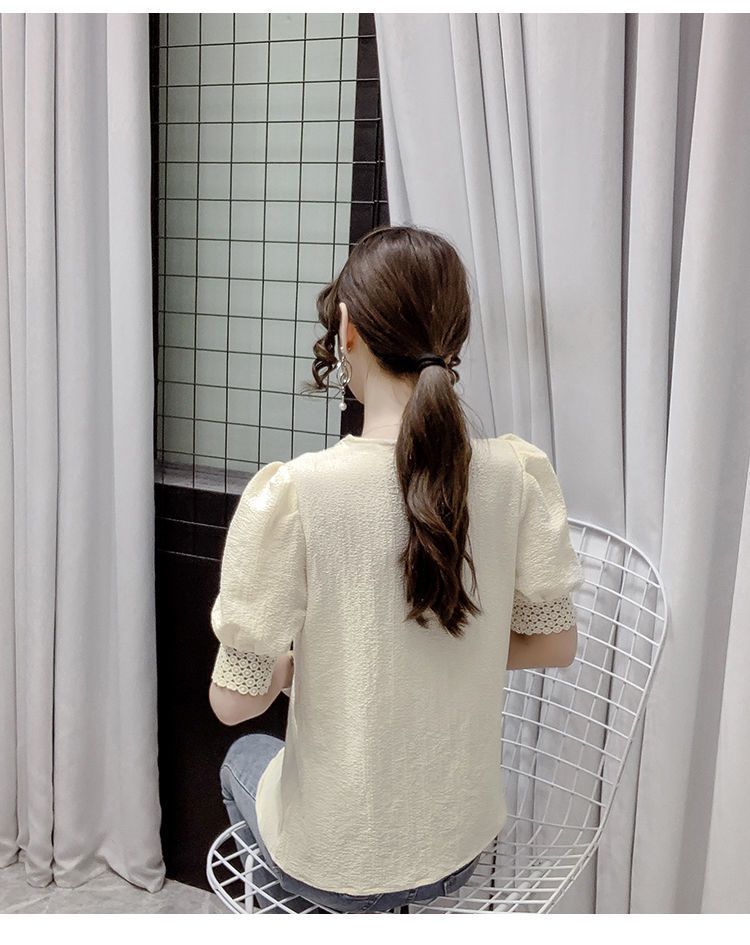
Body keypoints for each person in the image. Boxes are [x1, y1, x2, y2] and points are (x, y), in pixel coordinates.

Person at [208, 224, 585, 914]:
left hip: (336, 857)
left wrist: (297, 665)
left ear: (346, 327)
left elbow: (234, 703)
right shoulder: (515, 475)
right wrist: (449, 646)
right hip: (461, 844)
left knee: (242, 758)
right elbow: (556, 645)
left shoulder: (298, 493)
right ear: (455, 338)